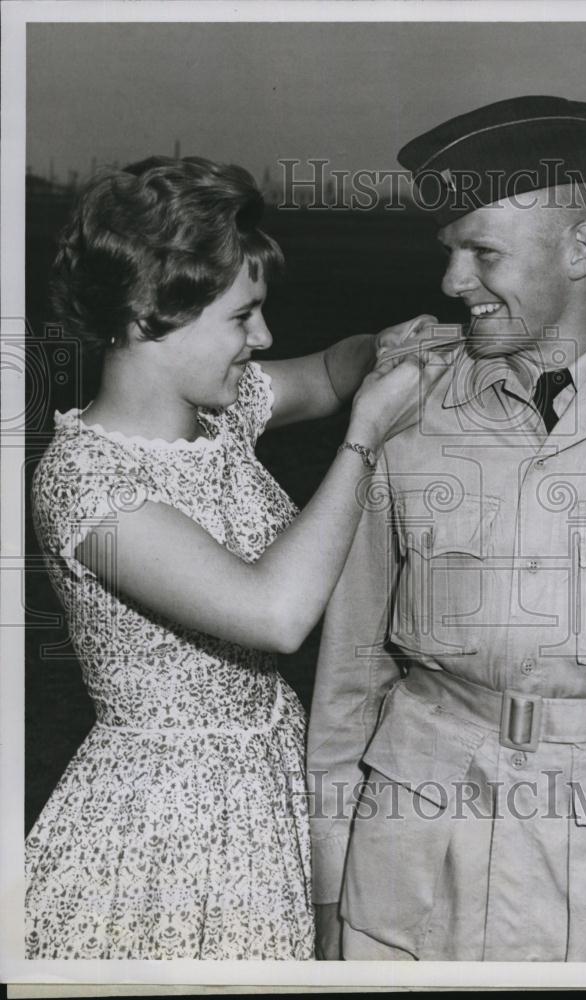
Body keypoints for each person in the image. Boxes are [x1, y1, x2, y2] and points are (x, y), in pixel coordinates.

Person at [308, 97, 586, 963]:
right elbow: (350, 668)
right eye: (449, 251)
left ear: (580, 250)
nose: (452, 282)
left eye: (483, 252)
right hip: (415, 874)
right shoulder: (406, 405)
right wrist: (330, 877)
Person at [26, 155, 438, 960]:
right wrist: (364, 435)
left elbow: (329, 371)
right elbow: (274, 614)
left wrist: (381, 349)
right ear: (148, 315)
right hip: (165, 821)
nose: (264, 337)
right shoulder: (85, 485)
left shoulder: (220, 413)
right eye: (242, 316)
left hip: (264, 784)